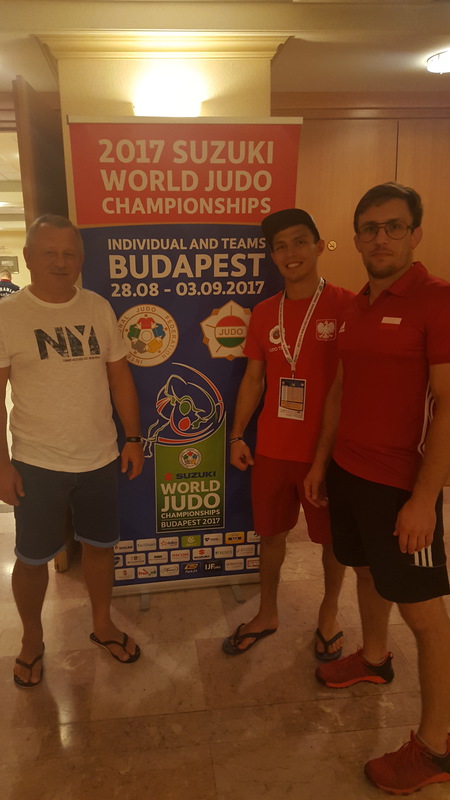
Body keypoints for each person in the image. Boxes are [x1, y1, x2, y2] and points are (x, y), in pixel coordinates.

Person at [305, 183, 450, 795]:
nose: (381, 237)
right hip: (349, 472)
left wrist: (424, 499)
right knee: (365, 571)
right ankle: (372, 659)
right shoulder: (357, 304)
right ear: (356, 238)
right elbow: (340, 388)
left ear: (415, 233)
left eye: (394, 226)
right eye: (370, 228)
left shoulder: (437, 300)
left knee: (425, 614)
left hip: (400, 485)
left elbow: (448, 405)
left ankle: (437, 747)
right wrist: (322, 462)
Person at [0, 214, 145, 688]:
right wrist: (1, 465)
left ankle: (102, 625)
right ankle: (31, 640)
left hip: (100, 458)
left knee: (100, 548)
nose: (60, 262)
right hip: (36, 463)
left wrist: (133, 437)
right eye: (49, 252)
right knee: (31, 559)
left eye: (69, 253)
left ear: (81, 259)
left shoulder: (98, 307)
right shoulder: (8, 315)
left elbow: (119, 376)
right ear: (28, 258)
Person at [222, 208, 353, 658]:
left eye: (299, 241)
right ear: (273, 256)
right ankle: (267, 612)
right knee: (271, 535)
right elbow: (254, 379)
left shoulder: (348, 306)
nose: (290, 252)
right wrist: (237, 435)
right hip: (273, 448)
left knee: (332, 540)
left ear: (318, 245)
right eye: (280, 246)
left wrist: (326, 456)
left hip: (328, 451)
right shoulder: (264, 313)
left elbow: (349, 385)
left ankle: (329, 614)